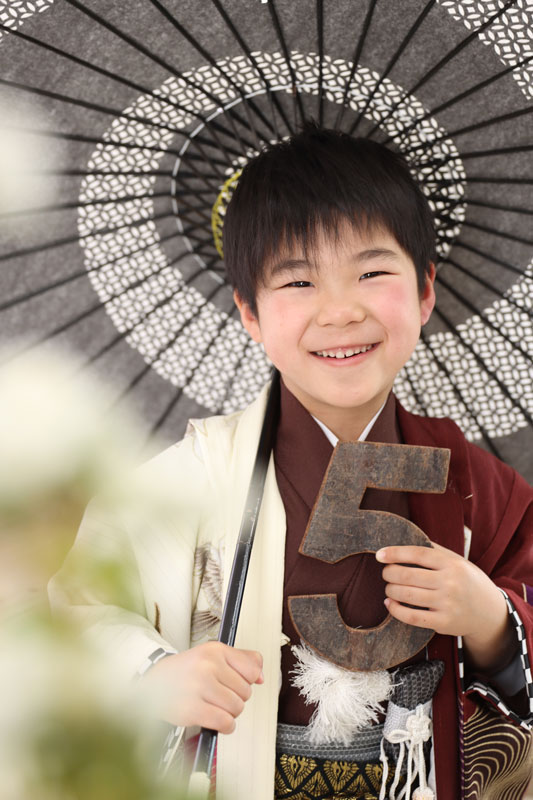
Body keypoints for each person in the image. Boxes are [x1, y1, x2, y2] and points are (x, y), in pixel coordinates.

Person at [50, 124, 533, 800]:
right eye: (298, 280)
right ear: (249, 311)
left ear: (424, 291)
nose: (339, 311)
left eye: (371, 272)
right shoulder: (189, 481)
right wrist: (155, 675)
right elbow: (76, 613)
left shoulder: (478, 488)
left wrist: (490, 621)